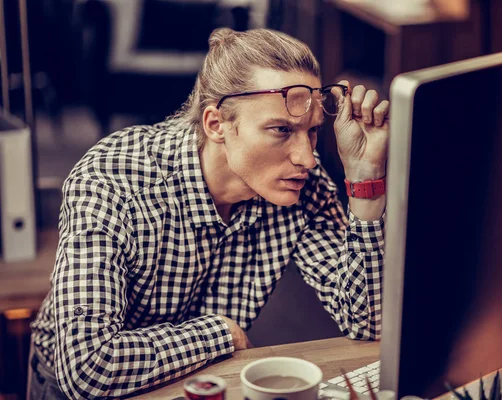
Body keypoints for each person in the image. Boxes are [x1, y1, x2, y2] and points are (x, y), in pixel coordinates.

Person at [28, 28, 389, 399]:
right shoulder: (113, 180)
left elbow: (367, 321)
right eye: (281, 130)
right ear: (216, 124)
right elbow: (88, 367)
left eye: (311, 132)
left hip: (209, 379)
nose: (307, 157)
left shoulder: (302, 183)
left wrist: (365, 176)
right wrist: (219, 333)